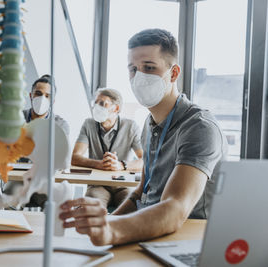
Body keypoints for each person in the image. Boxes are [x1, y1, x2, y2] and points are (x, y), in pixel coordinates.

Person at [59, 29, 227, 246]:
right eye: (133, 69)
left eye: (149, 67)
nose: (139, 77)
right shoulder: (150, 124)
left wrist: (111, 229)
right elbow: (141, 193)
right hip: (150, 232)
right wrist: (106, 223)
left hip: (185, 240)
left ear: (173, 73)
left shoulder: (199, 127)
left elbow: (175, 207)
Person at [3, 74, 70, 209]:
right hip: (18, 178)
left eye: (47, 96)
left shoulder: (60, 125)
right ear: (30, 95)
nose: (42, 99)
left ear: (53, 101)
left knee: (57, 207)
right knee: (6, 205)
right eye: (38, 94)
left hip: (45, 180)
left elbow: (62, 158)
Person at [71, 88, 143, 208]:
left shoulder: (131, 126)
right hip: (97, 185)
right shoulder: (89, 124)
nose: (97, 107)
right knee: (90, 207)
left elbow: (145, 160)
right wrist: (99, 164)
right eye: (96, 103)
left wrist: (121, 165)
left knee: (132, 207)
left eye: (102, 103)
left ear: (116, 108)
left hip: (123, 184)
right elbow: (74, 158)